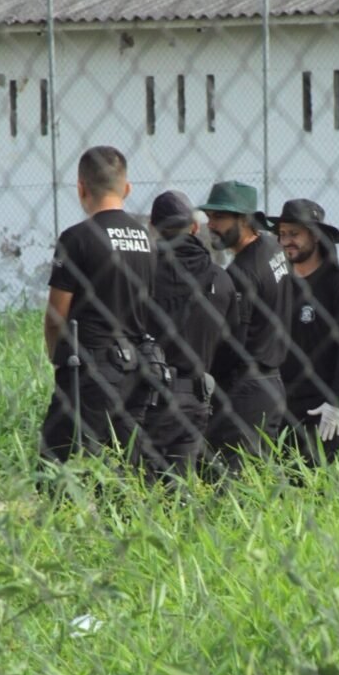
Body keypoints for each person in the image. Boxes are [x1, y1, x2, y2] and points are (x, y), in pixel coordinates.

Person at [40, 145, 161, 469]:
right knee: (123, 465)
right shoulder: (147, 240)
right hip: (137, 368)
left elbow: (56, 316)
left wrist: (57, 357)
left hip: (89, 368)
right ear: (127, 188)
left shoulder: (77, 238)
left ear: (81, 188)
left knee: (56, 465)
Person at [144, 190, 239, 480]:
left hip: (148, 396)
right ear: (195, 227)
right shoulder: (221, 279)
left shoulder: (141, 273)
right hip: (196, 398)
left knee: (139, 486)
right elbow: (230, 339)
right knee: (180, 487)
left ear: (153, 226)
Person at [200, 180, 292, 473]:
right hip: (273, 382)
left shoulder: (240, 273)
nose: (211, 225)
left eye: (219, 218)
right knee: (260, 476)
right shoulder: (272, 246)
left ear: (244, 220)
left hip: (245, 390)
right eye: (209, 217)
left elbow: (232, 343)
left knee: (232, 480)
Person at [268, 198, 339, 467]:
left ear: (316, 236)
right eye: (282, 234)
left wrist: (336, 402)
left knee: (325, 492)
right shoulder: (280, 282)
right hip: (283, 408)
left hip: (322, 411)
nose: (287, 241)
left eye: (295, 234)